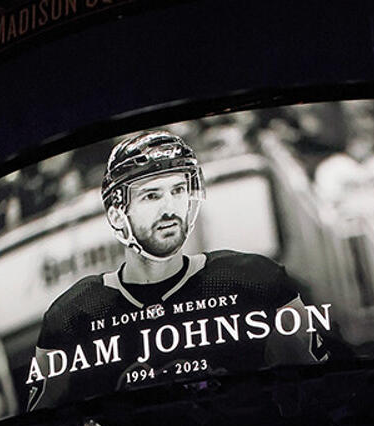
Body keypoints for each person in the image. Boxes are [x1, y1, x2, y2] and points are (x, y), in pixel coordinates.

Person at [27, 130, 328, 411]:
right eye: (152, 195)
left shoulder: (258, 280)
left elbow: (319, 391)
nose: (170, 208)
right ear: (118, 213)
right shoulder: (70, 317)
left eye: (178, 190)